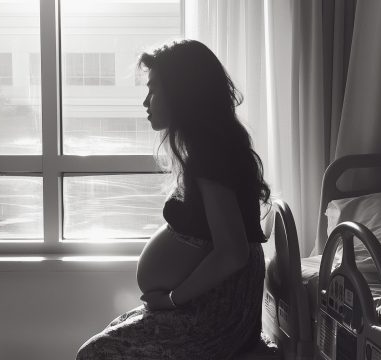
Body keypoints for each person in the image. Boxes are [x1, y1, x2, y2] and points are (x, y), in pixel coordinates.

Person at [75, 39, 271, 359]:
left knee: (96, 354)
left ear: (182, 92)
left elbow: (232, 252)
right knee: (108, 338)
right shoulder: (209, 149)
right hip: (206, 306)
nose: (146, 102)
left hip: (214, 317)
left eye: (153, 89)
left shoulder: (210, 155)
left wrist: (173, 299)